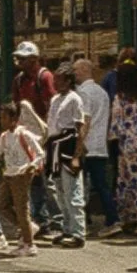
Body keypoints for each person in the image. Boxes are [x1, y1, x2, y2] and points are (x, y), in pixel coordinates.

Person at [106, 60, 137, 239]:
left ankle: (132, 216)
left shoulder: (120, 98)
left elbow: (116, 123)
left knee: (128, 179)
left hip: (128, 143)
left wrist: (112, 139)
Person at [42, 63, 87, 246]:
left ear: (68, 81)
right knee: (59, 190)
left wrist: (76, 154)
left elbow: (79, 127)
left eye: (60, 80)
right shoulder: (55, 100)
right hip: (55, 146)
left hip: (68, 145)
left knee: (72, 190)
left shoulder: (74, 99)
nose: (56, 83)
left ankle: (78, 232)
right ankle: (67, 228)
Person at [0, 104, 42, 254]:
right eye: (1, 117)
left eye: (5, 117)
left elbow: (40, 153)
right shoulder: (4, 136)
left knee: (21, 208)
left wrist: (31, 166)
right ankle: (27, 227)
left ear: (14, 119)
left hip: (21, 175)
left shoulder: (24, 134)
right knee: (0, 203)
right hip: (9, 174)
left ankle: (29, 244)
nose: (2, 121)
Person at [74, 56, 114, 232]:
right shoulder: (102, 92)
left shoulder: (84, 93)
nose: (73, 74)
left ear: (84, 70)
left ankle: (110, 219)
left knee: (81, 186)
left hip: (87, 146)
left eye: (75, 70)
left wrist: (78, 144)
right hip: (99, 144)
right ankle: (100, 219)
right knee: (100, 184)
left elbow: (85, 120)